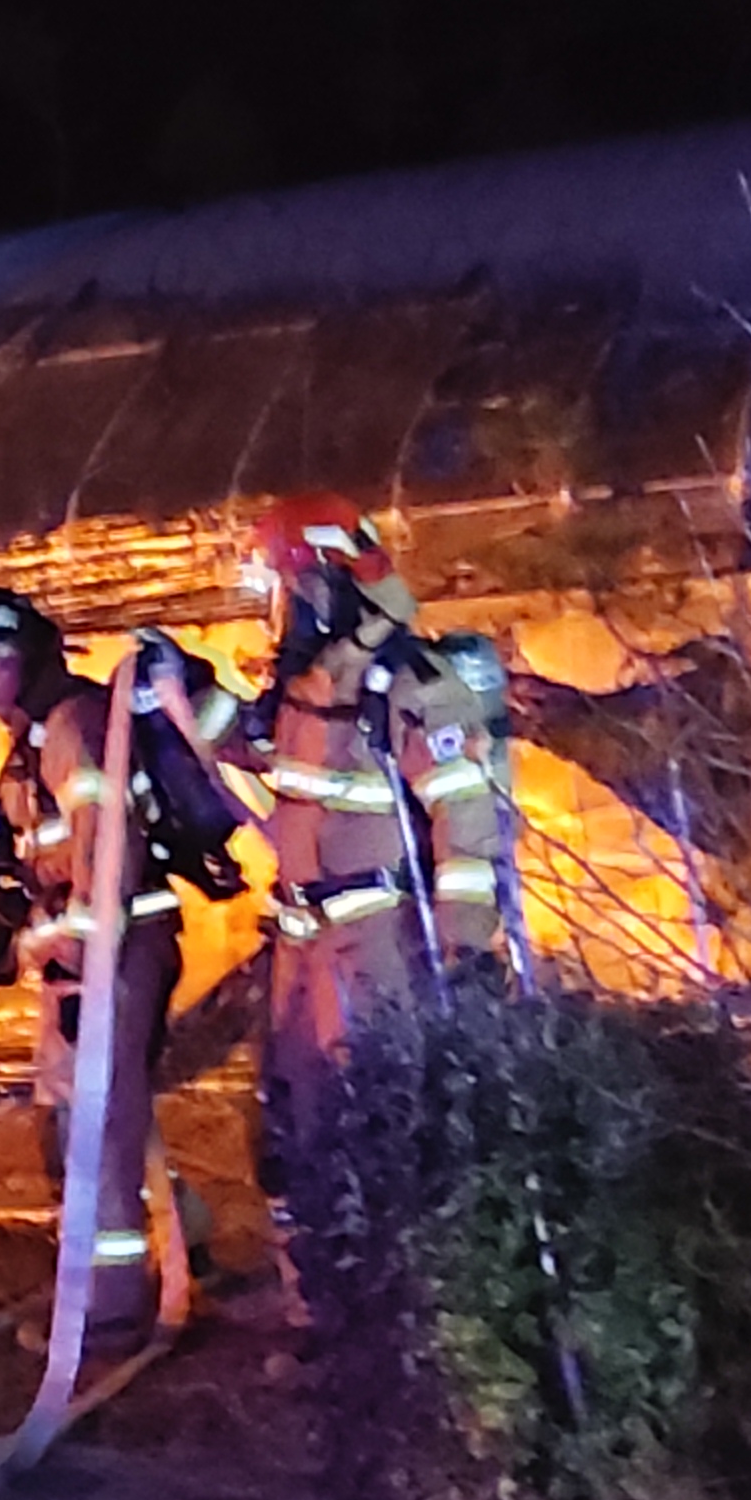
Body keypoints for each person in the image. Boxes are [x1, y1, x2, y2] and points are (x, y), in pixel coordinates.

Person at [0, 583, 227, 1341]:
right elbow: (46, 863)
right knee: (86, 1118)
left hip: (114, 950)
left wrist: (84, 948)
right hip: (84, 956)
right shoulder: (32, 746)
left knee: (95, 1125)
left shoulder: (74, 724)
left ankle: (109, 1308)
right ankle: (183, 1234)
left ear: (28, 650)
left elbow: (106, 847)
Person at [224, 495, 516, 1214]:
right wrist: (179, 686)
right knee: (298, 1129)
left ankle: (396, 1263)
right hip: (301, 940)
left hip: (375, 939)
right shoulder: (306, 689)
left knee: (377, 1116)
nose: (273, 613)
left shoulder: (410, 684)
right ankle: (323, 1267)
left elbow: (465, 819)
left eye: (280, 590)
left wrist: (466, 946)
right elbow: (256, 751)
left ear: (324, 584)